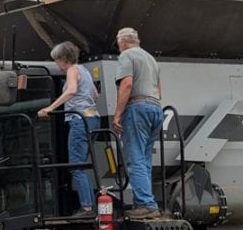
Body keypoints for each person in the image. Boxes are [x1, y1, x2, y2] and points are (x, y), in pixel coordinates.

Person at [38, 41, 99, 218]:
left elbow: (71, 90)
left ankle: (87, 208)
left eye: (57, 60)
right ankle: (90, 205)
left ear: (63, 59)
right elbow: (95, 94)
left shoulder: (72, 70)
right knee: (82, 165)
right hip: (92, 119)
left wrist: (51, 107)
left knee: (75, 165)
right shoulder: (85, 70)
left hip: (79, 120)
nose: (57, 64)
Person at [111, 27, 163, 220]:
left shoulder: (126, 56)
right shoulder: (151, 59)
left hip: (137, 108)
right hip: (155, 108)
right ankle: (144, 202)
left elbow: (127, 84)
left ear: (123, 41)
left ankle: (146, 204)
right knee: (144, 159)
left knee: (134, 158)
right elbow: (159, 90)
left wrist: (117, 114)